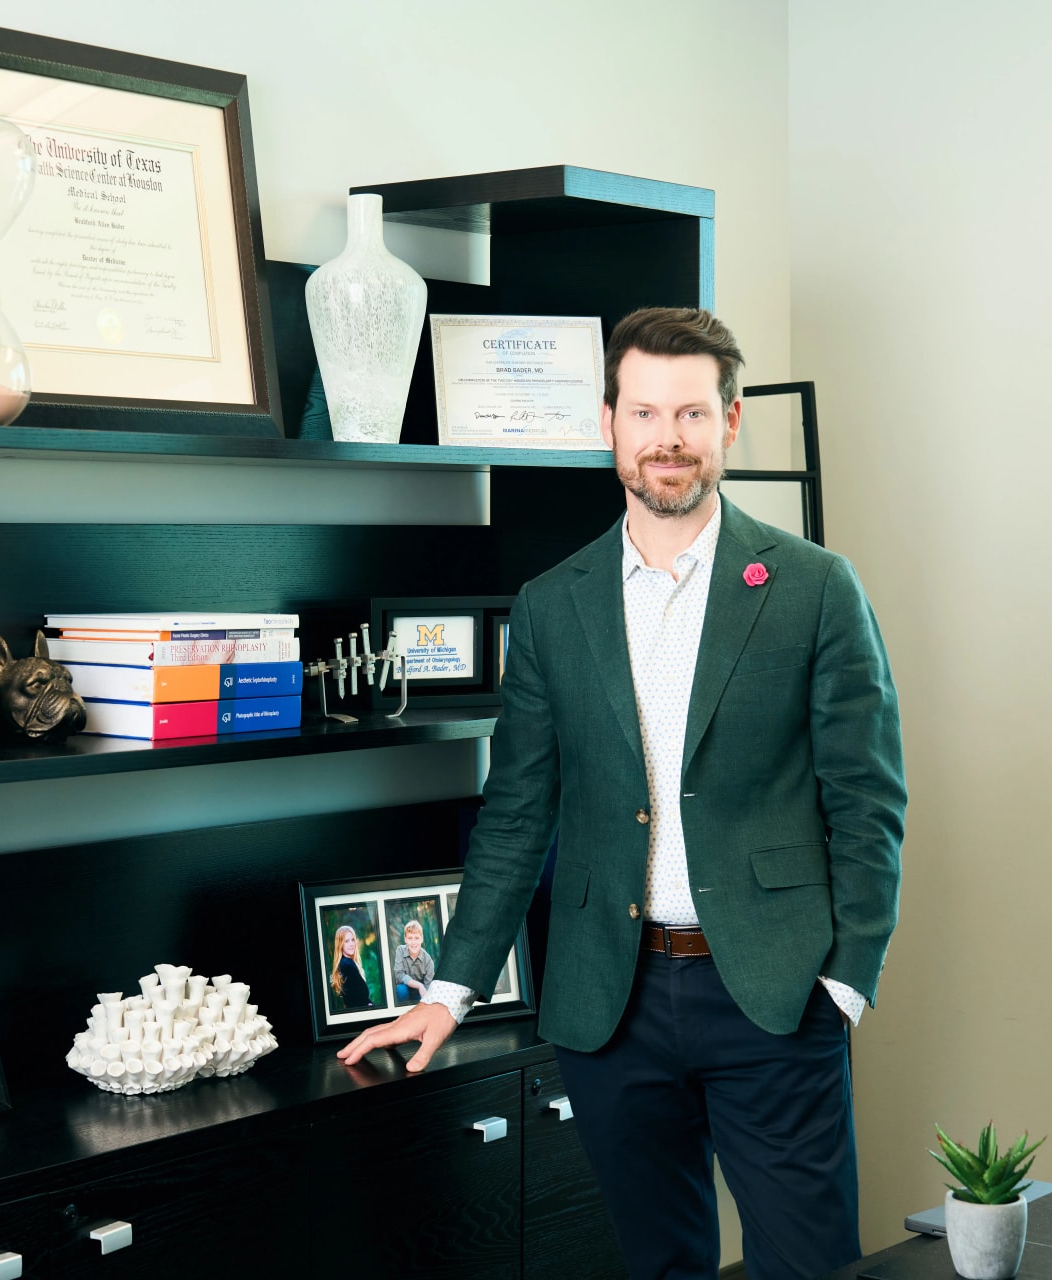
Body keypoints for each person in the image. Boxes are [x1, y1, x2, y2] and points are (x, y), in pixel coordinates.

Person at [338, 307, 905, 1280]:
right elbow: (518, 808)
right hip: (612, 999)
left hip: (772, 995)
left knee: (807, 1264)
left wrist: (845, 979)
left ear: (730, 421)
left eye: (691, 412)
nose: (667, 438)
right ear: (609, 422)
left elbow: (867, 800)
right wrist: (449, 987)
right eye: (645, 411)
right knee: (658, 1262)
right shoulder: (554, 603)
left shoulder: (813, 586)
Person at [329, 924, 374, 1010]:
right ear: (340, 944)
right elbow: (359, 999)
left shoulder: (347, 963)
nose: (351, 944)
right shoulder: (347, 966)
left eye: (353, 940)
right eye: (347, 941)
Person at [393, 919, 435, 1003]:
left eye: (416, 938)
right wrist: (419, 985)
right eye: (410, 938)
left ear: (422, 939)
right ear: (405, 939)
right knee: (401, 989)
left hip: (420, 994)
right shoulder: (400, 950)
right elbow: (399, 975)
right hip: (405, 990)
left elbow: (428, 988)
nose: (413, 942)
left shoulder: (428, 960)